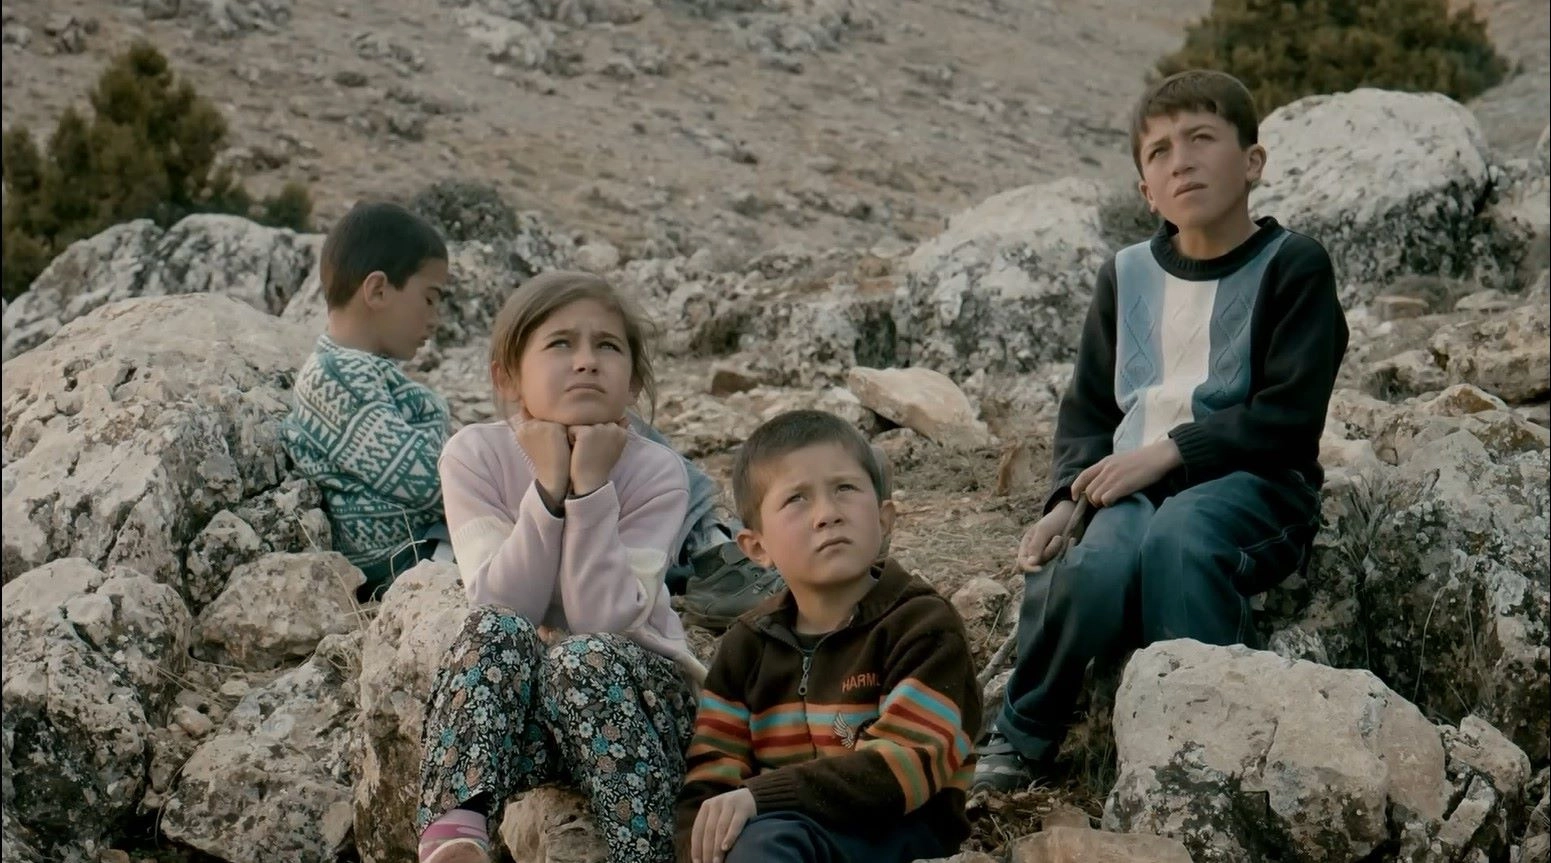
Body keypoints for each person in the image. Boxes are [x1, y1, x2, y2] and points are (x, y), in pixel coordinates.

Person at [971, 69, 1349, 793]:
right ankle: (1023, 730)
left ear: (1252, 162)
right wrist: (1065, 499)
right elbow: (1088, 411)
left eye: (1202, 138)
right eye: (1159, 152)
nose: (1182, 161)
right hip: (1127, 488)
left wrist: (1171, 452)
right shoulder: (1125, 275)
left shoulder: (1293, 266)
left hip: (1255, 485)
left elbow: (1290, 415)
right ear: (1146, 190)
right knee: (1092, 568)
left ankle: (1208, 749)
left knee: (1180, 542)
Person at [415, 271, 707, 863]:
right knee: (493, 628)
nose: (586, 361)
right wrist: (547, 488)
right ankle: (456, 834)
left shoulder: (657, 471)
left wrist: (590, 488)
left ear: (633, 380)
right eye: (560, 343)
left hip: (637, 706)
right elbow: (504, 602)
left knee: (582, 656)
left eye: (608, 345)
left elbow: (604, 618)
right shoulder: (475, 455)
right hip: (534, 718)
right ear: (508, 376)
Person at [675, 409, 982, 863]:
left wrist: (761, 797)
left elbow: (904, 766)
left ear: (884, 517)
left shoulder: (922, 625)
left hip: (901, 833)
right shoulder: (747, 645)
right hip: (783, 835)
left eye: (845, 489)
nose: (827, 514)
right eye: (797, 499)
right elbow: (710, 778)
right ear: (756, 547)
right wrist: (699, 847)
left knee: (767, 843)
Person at [282, 201, 453, 600]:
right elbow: (425, 479)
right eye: (430, 299)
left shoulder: (367, 372)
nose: (436, 319)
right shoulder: (334, 375)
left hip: (425, 545)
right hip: (400, 561)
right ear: (377, 290)